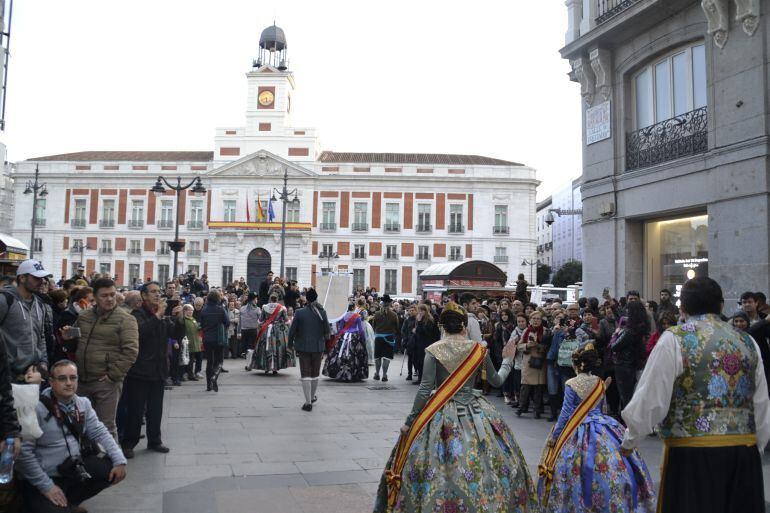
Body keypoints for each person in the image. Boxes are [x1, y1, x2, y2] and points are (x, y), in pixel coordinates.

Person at [372, 302, 540, 513]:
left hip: (440, 412)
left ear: (442, 327)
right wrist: (507, 360)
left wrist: (409, 422)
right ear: (464, 327)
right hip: (477, 412)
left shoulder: (433, 350)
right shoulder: (479, 350)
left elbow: (425, 390)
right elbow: (497, 381)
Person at [623, 277, 770, 513]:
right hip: (744, 453)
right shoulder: (747, 341)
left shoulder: (674, 339)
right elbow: (760, 400)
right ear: (721, 306)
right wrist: (756, 446)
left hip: (691, 454)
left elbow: (651, 397)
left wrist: (630, 439)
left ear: (683, 308)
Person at [537, 344, 656, 512]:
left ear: (578, 365)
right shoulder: (599, 382)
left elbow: (565, 414)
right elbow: (603, 408)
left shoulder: (571, 383)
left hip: (577, 428)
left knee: (572, 468)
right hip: (604, 427)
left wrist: (556, 436)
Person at [17, 360, 127, 513]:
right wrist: (47, 487)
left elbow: (100, 431)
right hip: (43, 477)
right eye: (62, 378)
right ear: (51, 382)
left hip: (71, 470)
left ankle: (69, 502)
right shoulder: (36, 408)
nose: (69, 383)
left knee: (109, 468)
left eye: (73, 378)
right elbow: (24, 453)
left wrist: (119, 460)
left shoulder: (83, 403)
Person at [64, 278, 138, 442]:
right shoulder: (84, 316)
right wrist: (67, 336)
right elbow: (75, 342)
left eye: (112, 294)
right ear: (95, 297)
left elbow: (131, 351)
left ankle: (111, 464)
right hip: (82, 380)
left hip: (106, 382)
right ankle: (86, 461)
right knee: (79, 424)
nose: (110, 299)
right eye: (104, 295)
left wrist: (113, 376)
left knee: (106, 427)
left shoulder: (126, 319)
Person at [120, 281, 181, 458]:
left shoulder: (161, 315)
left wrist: (179, 318)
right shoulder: (137, 314)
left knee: (156, 409)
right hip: (139, 370)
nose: (157, 294)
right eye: (153, 292)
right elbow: (140, 333)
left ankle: (155, 440)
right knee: (136, 410)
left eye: (158, 291)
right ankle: (128, 443)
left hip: (158, 369)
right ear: (144, 296)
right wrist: (158, 316)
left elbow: (175, 334)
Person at [0, 260, 52, 381]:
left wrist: (43, 362)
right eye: (37, 278)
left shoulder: (40, 304)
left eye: (44, 278)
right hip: (7, 376)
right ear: (22, 278)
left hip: (32, 374)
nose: (43, 281)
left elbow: (41, 336)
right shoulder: (5, 300)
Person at [288, 288, 329, 411]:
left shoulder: (299, 312)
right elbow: (327, 332)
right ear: (316, 298)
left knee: (305, 374)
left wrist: (290, 344)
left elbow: (292, 331)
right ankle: (311, 398)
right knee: (315, 374)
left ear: (306, 298)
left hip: (303, 347)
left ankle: (308, 403)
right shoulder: (322, 312)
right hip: (318, 347)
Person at [610, 301, 650, 411]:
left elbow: (614, 346)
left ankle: (627, 424)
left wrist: (616, 334)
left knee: (626, 397)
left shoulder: (629, 331)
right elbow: (620, 317)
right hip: (636, 363)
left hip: (624, 365)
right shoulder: (642, 327)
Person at [517, 310, 551, 418]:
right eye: (534, 318)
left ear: (541, 321)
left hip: (540, 361)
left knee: (538, 387)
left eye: (538, 319)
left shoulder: (546, 331)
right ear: (530, 320)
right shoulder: (527, 330)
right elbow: (519, 346)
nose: (536, 321)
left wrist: (541, 347)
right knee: (525, 386)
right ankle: (521, 408)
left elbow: (549, 346)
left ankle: (537, 410)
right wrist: (528, 345)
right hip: (528, 361)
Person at [322, 304, 368, 382]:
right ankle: (354, 373)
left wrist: (338, 337)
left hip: (344, 336)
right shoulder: (357, 316)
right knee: (355, 354)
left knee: (339, 353)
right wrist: (363, 338)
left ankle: (339, 372)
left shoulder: (344, 316)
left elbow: (340, 328)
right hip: (354, 336)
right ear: (353, 308)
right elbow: (360, 329)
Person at [250, 294, 292, 374]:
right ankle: (275, 368)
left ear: (270, 299)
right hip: (278, 331)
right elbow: (286, 321)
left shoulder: (265, 307)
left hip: (266, 329)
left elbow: (260, 320)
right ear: (277, 299)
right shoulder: (282, 308)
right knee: (277, 348)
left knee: (265, 347)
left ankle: (266, 367)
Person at [199, 290, 230, 392]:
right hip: (218, 339)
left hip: (207, 339)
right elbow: (227, 322)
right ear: (217, 298)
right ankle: (214, 377)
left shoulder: (204, 310)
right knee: (219, 361)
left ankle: (208, 386)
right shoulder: (220, 309)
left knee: (209, 362)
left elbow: (202, 325)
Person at [372, 295, 399, 382]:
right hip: (389, 337)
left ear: (382, 304)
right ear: (390, 304)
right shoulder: (394, 314)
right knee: (386, 357)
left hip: (379, 337)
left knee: (378, 357)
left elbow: (373, 326)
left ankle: (377, 374)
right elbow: (397, 327)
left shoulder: (376, 314)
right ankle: (384, 375)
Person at [412, 304, 440, 385]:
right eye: (419, 310)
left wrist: (419, 324)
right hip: (419, 343)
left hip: (426, 343)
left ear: (425, 311)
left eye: (422, 310)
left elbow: (426, 332)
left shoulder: (429, 320)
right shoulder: (418, 319)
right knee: (418, 362)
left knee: (424, 362)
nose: (420, 312)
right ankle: (420, 378)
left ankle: (425, 380)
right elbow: (418, 332)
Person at [180, 304, 201, 381]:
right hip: (186, 343)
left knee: (191, 360)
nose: (191, 312)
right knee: (185, 360)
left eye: (192, 310)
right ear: (185, 311)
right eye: (189, 310)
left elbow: (197, 328)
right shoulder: (183, 320)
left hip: (194, 342)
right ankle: (185, 375)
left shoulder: (193, 319)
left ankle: (190, 375)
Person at [401, 304, 417, 381]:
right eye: (410, 311)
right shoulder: (407, 320)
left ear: (416, 311)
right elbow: (403, 331)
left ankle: (417, 371)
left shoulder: (418, 320)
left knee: (415, 359)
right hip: (409, 342)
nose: (411, 312)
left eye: (413, 310)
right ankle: (409, 374)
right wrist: (405, 340)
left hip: (416, 342)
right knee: (410, 359)